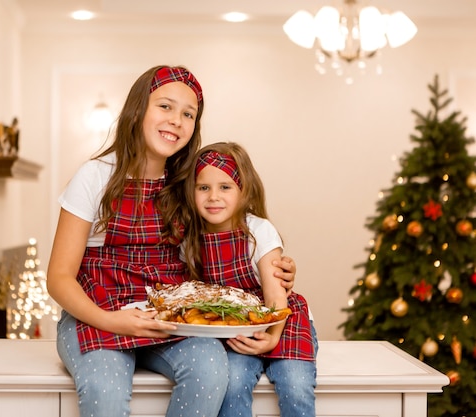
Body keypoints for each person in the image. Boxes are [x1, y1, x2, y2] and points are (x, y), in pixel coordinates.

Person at [46, 65, 297, 417]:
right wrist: (114, 320)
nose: (176, 120)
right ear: (138, 110)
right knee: (105, 387)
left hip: (170, 317)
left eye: (188, 114)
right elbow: (58, 278)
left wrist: (273, 264)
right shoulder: (95, 176)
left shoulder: (187, 184)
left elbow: (233, 234)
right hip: (96, 314)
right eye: (165, 106)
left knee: (211, 371)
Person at [183, 142, 317, 417]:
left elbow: (275, 297)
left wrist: (271, 338)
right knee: (231, 385)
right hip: (236, 331)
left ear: (243, 190)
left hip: (281, 321)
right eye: (203, 187)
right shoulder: (189, 242)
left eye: (225, 187)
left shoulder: (259, 231)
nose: (213, 197)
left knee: (295, 384)